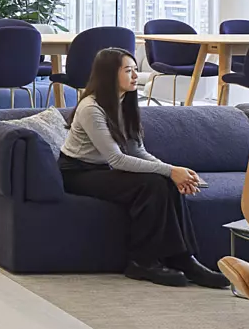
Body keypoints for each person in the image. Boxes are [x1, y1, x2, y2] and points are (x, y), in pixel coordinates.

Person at [59, 47, 228, 288]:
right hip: (77, 172)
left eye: (135, 70)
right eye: (128, 71)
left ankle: (183, 258)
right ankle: (142, 262)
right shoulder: (91, 108)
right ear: (108, 75)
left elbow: (136, 151)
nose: (136, 76)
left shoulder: (125, 102)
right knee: (152, 184)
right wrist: (169, 171)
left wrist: (173, 170)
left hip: (102, 169)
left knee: (165, 181)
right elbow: (116, 159)